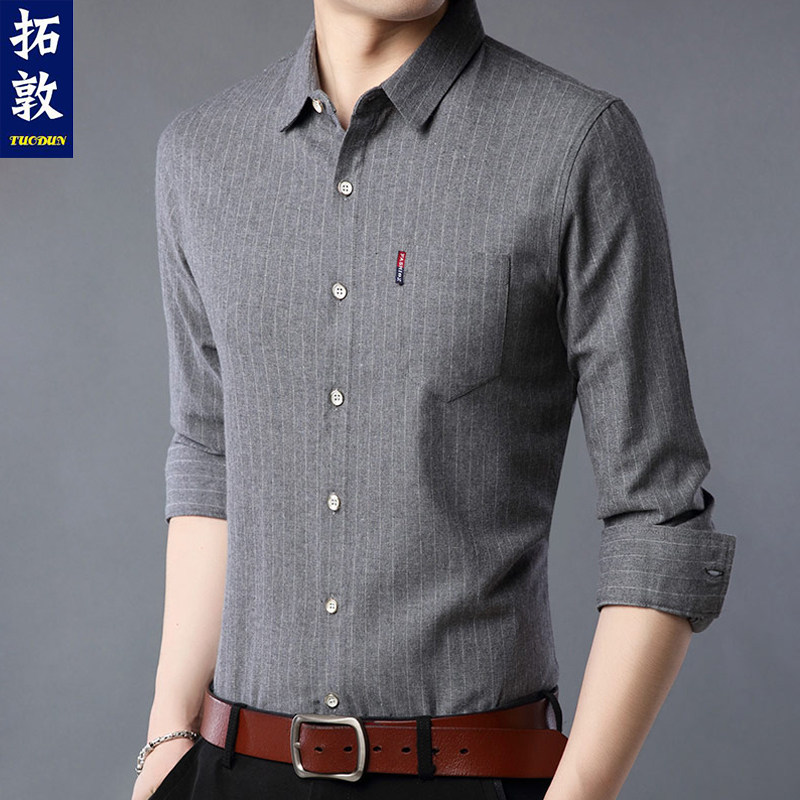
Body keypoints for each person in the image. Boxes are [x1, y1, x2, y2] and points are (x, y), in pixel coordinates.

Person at [132, 1, 737, 798]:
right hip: (233, 769)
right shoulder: (200, 155)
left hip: (473, 770)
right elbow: (211, 454)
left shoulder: (574, 143)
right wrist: (167, 739)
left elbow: (659, 518)